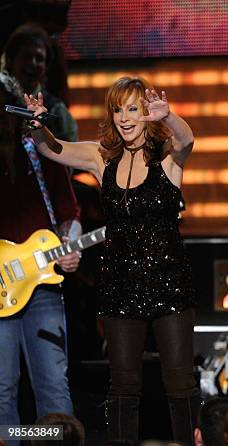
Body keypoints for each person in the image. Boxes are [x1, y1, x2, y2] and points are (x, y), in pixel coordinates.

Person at [25, 76, 200, 445]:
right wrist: (38, 128)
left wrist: (168, 117)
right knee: (123, 384)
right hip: (121, 287)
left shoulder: (167, 155)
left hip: (170, 284)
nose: (124, 118)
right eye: (118, 109)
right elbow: (52, 150)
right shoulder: (100, 156)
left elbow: (187, 140)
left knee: (180, 381)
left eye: (133, 109)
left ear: (147, 114)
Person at [0, 72, 81, 443]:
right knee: (3, 391)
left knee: (52, 386)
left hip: (42, 285)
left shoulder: (39, 149)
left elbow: (69, 212)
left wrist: (71, 245)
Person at [3, 23, 78, 141]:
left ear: (46, 66)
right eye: (27, 56)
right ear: (10, 60)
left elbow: (73, 155)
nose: (33, 63)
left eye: (39, 58)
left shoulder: (57, 111)